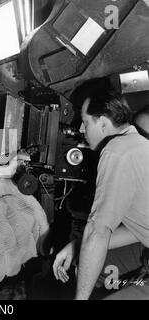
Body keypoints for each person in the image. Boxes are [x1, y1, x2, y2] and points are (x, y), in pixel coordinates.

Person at [52, 80, 149, 300]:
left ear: (103, 123)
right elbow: (140, 227)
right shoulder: (136, 145)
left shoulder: (116, 151)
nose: (80, 129)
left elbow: (98, 232)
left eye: (86, 122)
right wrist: (77, 245)